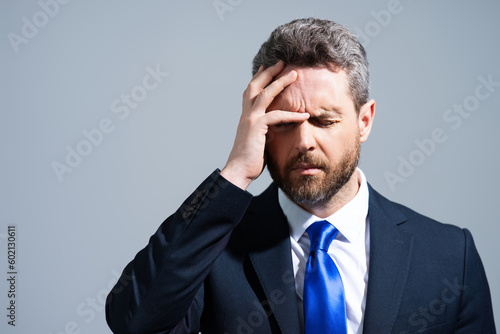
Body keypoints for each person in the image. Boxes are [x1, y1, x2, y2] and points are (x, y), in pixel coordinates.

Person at [105, 18, 496, 334]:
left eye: (324, 121)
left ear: (365, 121)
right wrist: (235, 173)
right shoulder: (214, 249)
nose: (304, 141)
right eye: (284, 123)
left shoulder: (449, 255)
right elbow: (134, 321)